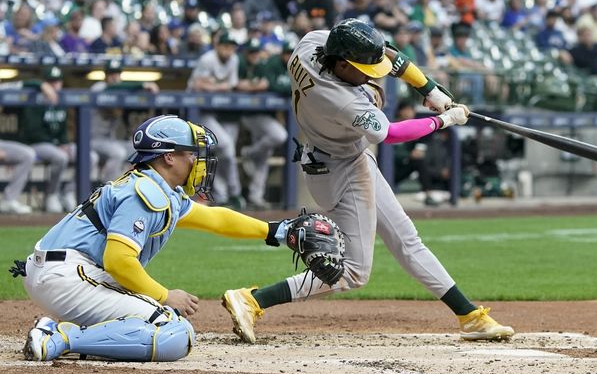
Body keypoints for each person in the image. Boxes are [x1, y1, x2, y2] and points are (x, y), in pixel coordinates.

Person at [222, 18, 513, 343]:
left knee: (406, 240)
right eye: (361, 69)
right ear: (343, 63)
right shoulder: (341, 99)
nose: (369, 75)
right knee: (353, 272)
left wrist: (427, 87)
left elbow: (385, 53)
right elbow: (391, 133)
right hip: (341, 169)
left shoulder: (311, 44)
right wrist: (444, 119)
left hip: (338, 157)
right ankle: (252, 300)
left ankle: (469, 315)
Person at [16, 114, 295, 362]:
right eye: (190, 153)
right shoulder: (144, 193)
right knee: (174, 333)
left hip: (63, 272)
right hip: (68, 276)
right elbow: (118, 260)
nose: (197, 160)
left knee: (165, 323)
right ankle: (59, 338)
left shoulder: (159, 188)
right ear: (169, 156)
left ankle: (70, 334)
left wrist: (275, 231)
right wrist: (165, 295)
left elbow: (216, 218)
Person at [187, 32, 245, 209]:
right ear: (217, 46)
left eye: (232, 47)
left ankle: (223, 195)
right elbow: (198, 85)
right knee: (222, 146)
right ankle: (232, 193)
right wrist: (219, 87)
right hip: (196, 111)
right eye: (225, 46)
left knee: (224, 152)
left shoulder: (234, 59)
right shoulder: (207, 59)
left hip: (215, 112)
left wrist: (213, 86)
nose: (229, 50)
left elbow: (232, 85)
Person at [235, 39, 288, 209]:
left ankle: (255, 196)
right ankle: (249, 152)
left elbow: (274, 86)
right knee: (280, 135)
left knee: (263, 158)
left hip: (266, 115)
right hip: (250, 115)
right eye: (252, 52)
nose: (255, 56)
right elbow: (270, 85)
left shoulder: (269, 64)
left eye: (257, 52)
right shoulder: (245, 63)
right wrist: (256, 87)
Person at [18, 66, 79, 212]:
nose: (54, 85)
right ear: (45, 84)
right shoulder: (36, 100)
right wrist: (57, 144)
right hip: (37, 144)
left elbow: (63, 129)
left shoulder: (61, 100)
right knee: (61, 157)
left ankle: (69, 191)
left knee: (88, 155)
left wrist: (63, 142)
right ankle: (52, 194)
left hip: (56, 145)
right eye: (51, 82)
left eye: (57, 82)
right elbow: (33, 132)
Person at [90, 59, 158, 181]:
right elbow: (113, 89)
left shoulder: (119, 90)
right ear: (105, 75)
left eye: (117, 74)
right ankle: (108, 189)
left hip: (109, 140)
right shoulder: (99, 88)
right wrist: (142, 85)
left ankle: (131, 184)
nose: (114, 77)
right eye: (111, 74)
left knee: (139, 149)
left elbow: (122, 89)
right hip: (91, 140)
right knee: (119, 153)